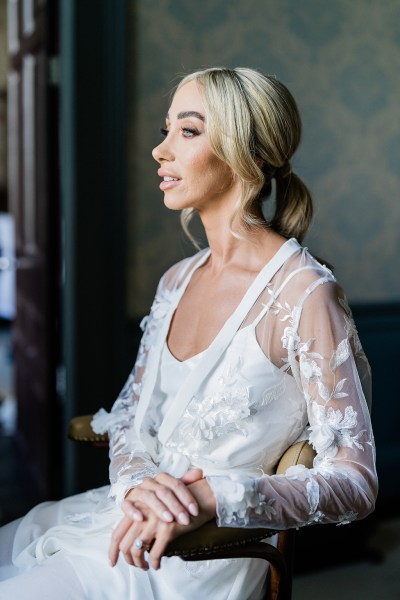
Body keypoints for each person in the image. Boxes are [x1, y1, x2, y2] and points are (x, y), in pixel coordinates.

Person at [0, 67, 377, 599]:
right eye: (165, 129)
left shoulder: (303, 294)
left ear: (253, 154)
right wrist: (136, 485)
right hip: (123, 519)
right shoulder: (176, 281)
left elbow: (356, 483)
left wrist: (211, 498)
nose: (161, 150)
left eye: (189, 130)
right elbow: (130, 413)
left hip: (204, 553)